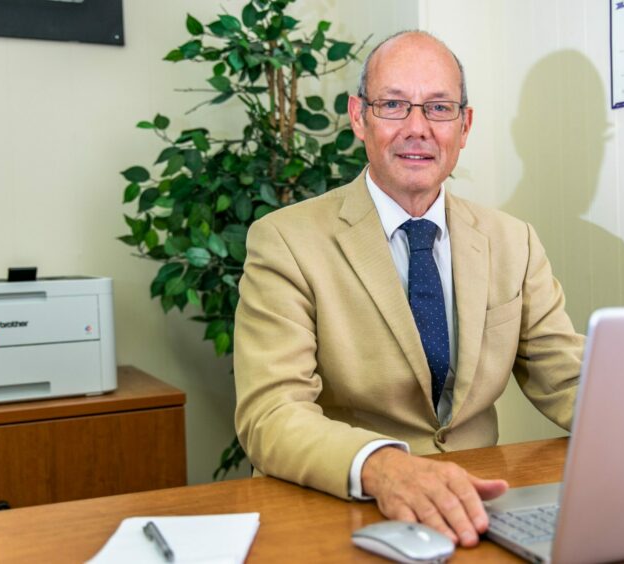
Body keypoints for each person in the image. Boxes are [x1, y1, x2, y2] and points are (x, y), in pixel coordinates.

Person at [234, 30, 584, 547]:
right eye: (394, 105)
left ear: (464, 127)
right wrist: (384, 467)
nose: (417, 128)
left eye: (439, 108)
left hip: (481, 511)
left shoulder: (514, 241)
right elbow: (272, 414)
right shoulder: (285, 241)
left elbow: (570, 381)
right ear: (359, 117)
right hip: (347, 514)